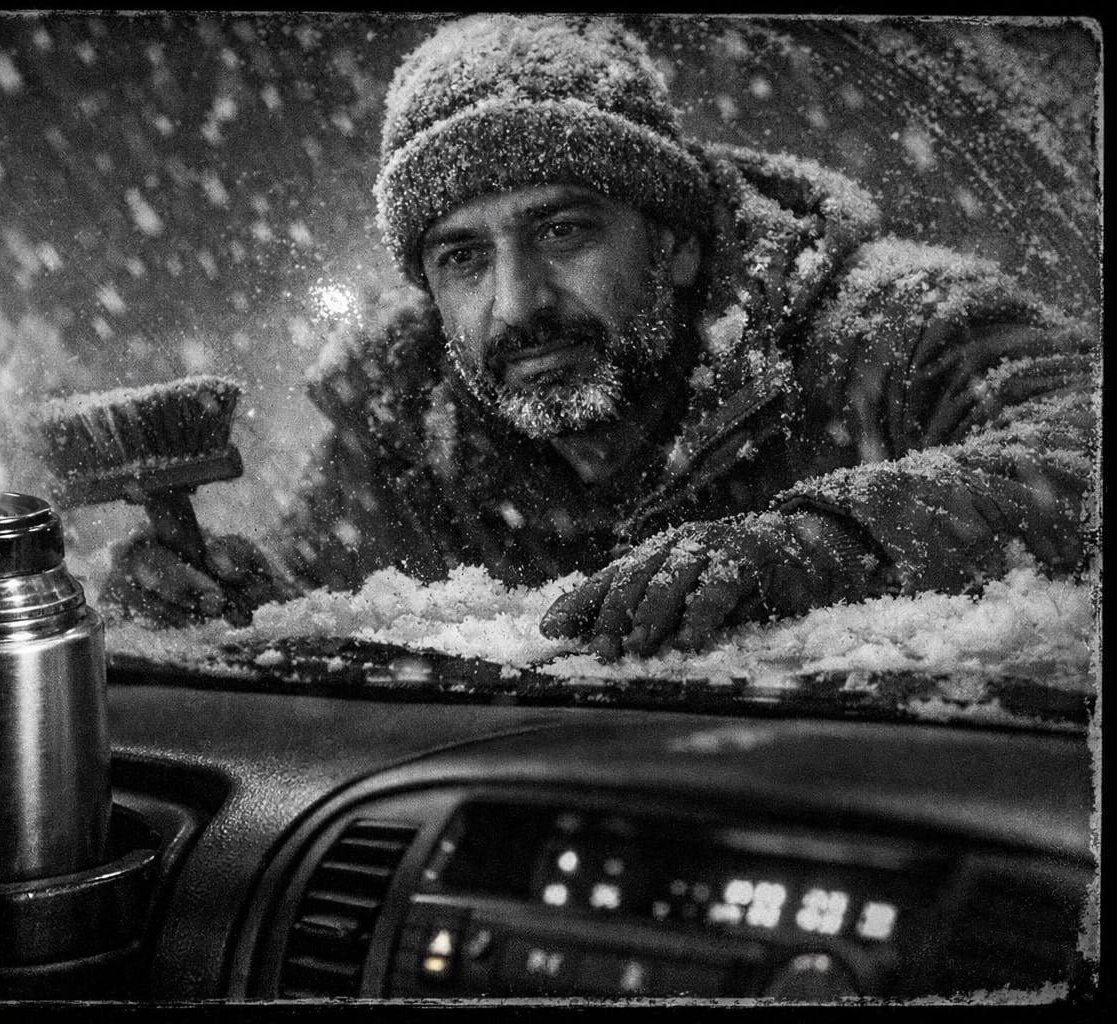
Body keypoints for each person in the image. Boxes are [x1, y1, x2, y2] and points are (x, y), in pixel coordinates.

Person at [104, 14, 1096, 661]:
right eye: (462, 259)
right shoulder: (408, 422)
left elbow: (1085, 449)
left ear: (669, 241)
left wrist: (822, 543)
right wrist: (243, 599)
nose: (518, 302)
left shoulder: (889, 328)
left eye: (564, 230)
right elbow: (329, 580)